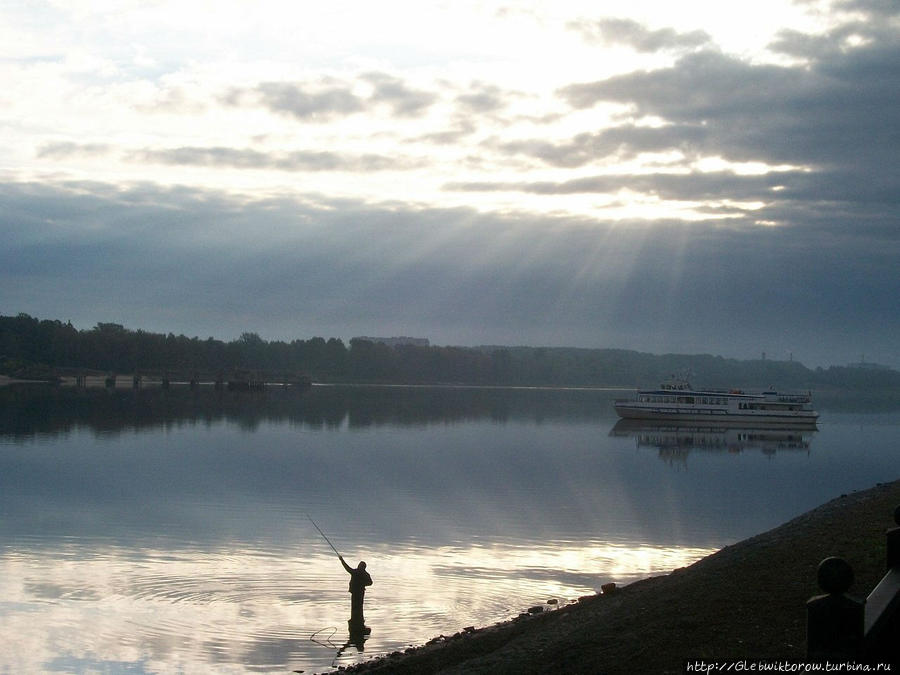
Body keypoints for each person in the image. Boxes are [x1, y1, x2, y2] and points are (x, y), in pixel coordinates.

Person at [339, 556, 372, 629]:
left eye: (359, 565)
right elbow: (370, 583)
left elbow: (347, 568)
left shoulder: (355, 572)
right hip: (360, 592)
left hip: (355, 592)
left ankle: (355, 620)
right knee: (359, 606)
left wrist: (342, 560)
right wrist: (363, 584)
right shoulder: (366, 574)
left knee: (355, 606)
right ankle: (358, 619)